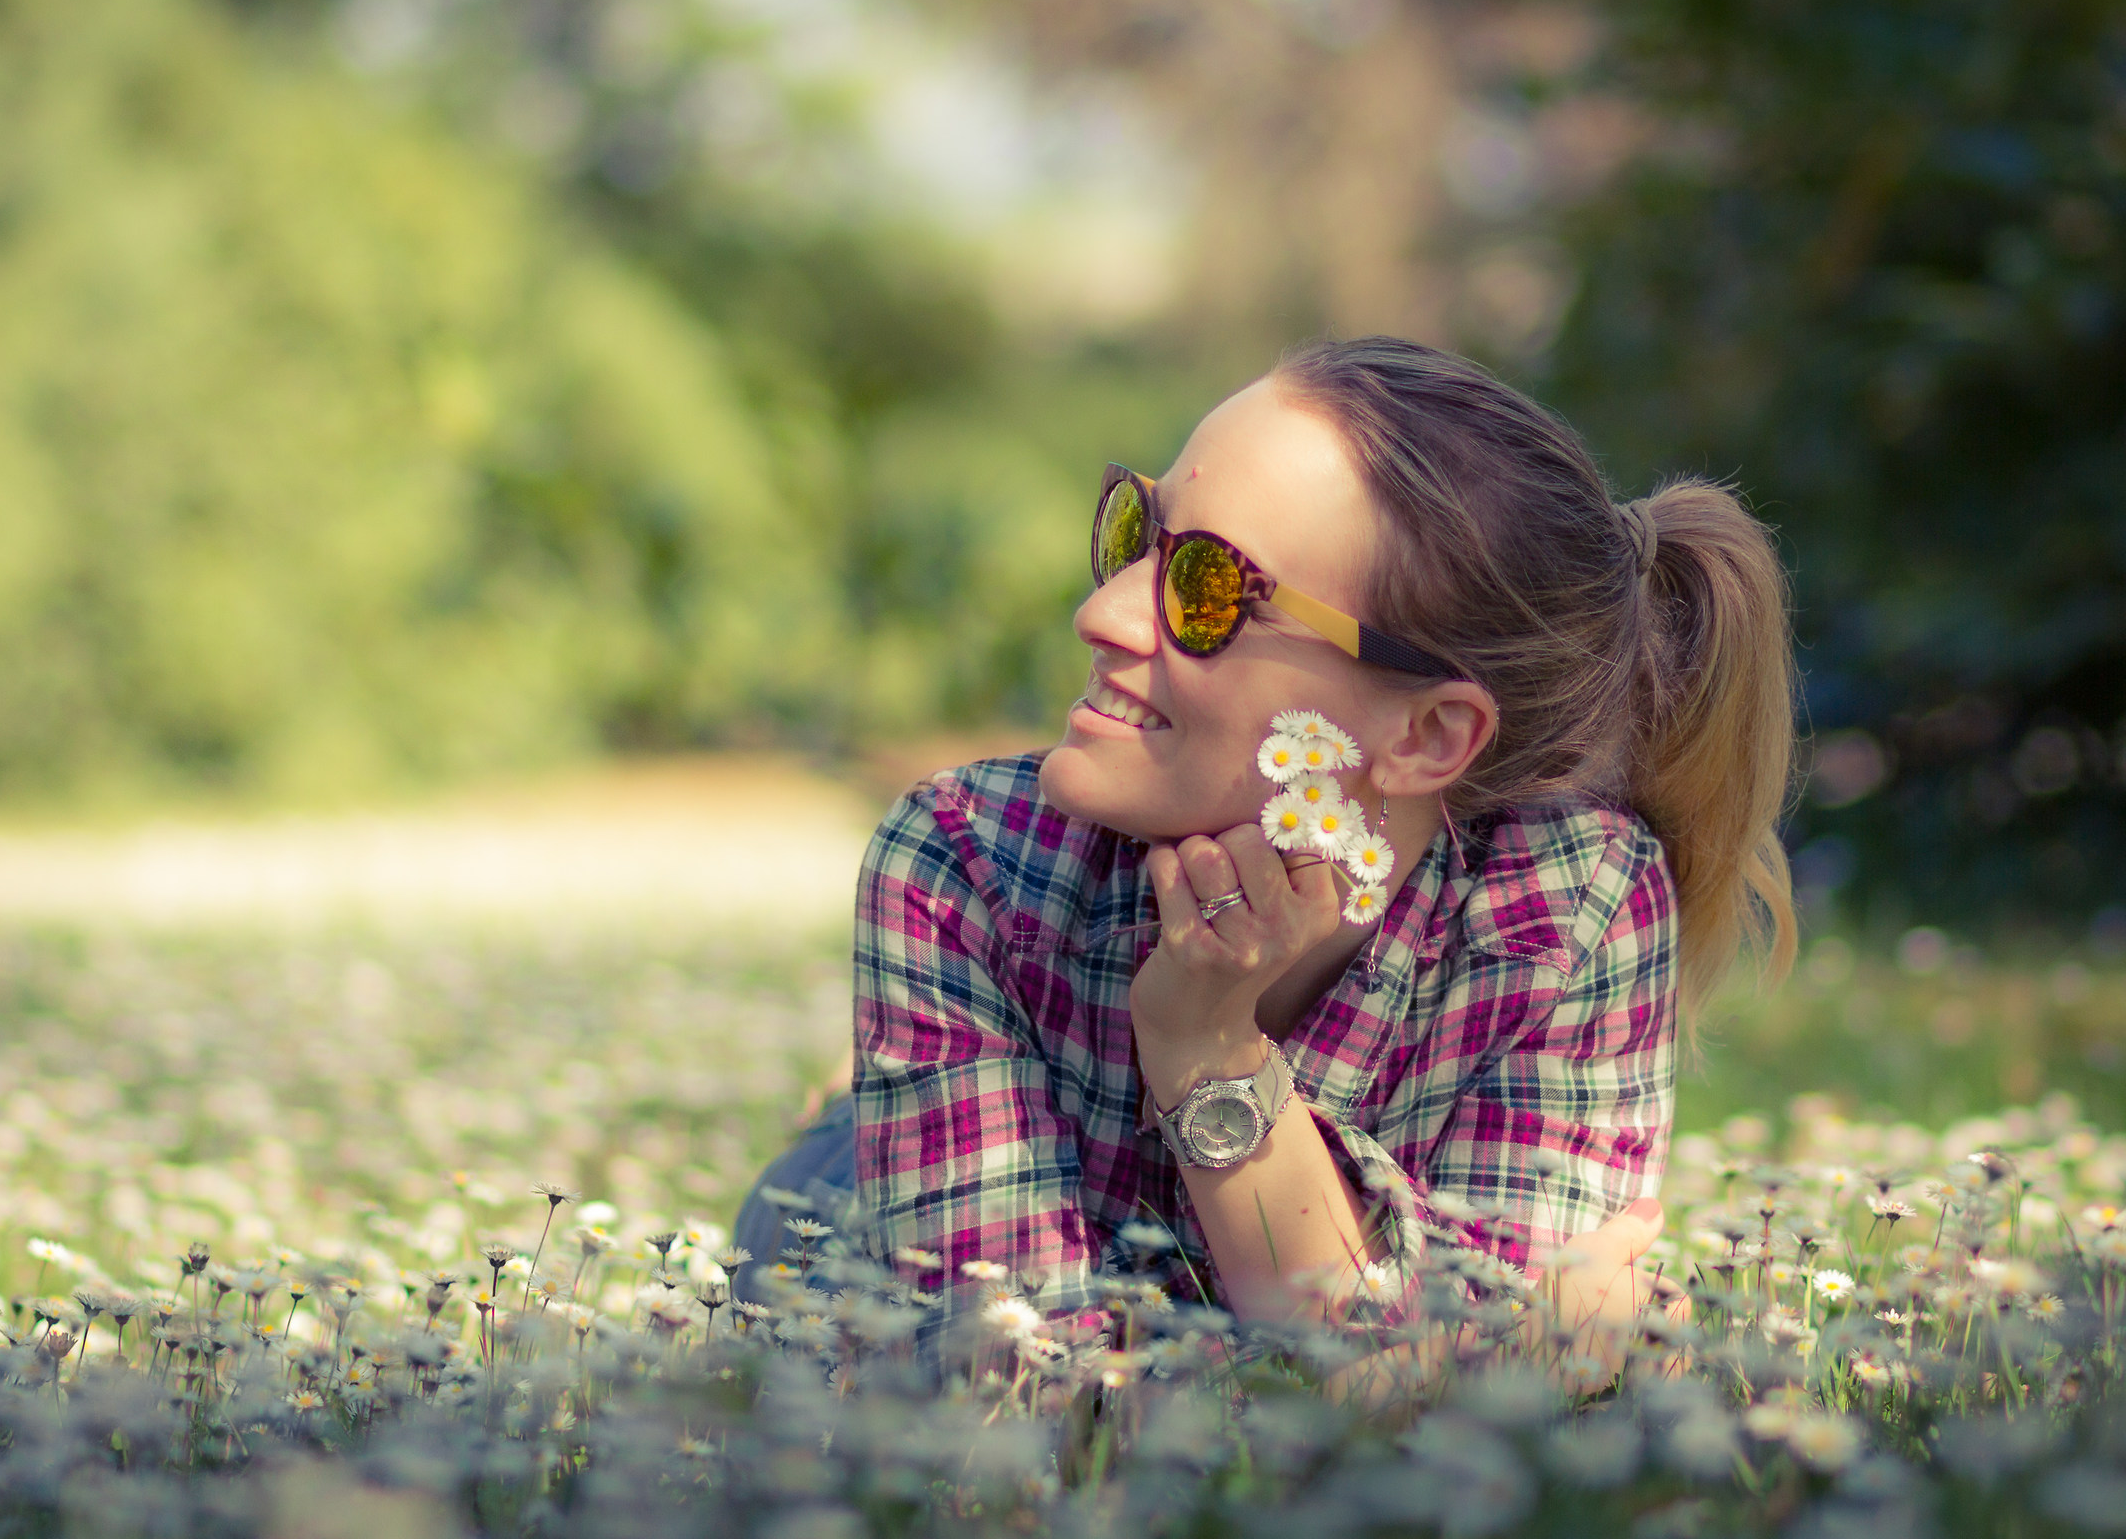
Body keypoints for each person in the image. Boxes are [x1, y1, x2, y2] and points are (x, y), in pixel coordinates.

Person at [732, 335, 1795, 1355]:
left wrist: (1207, 1049)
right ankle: (858, 1110)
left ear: (1426, 735)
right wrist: (1488, 1360)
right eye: (1133, 537)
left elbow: (1471, 1440)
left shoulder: (1573, 905)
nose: (1100, 613)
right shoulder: (965, 862)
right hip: (841, 1228)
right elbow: (1016, 1422)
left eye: (1204, 589)